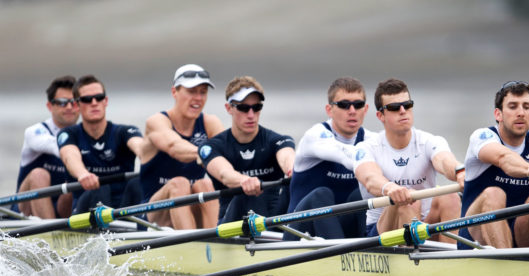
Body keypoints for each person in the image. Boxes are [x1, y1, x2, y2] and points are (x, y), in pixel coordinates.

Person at [353, 78, 463, 242]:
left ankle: (453, 259)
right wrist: (390, 188)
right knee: (408, 200)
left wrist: (460, 172)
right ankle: (414, 258)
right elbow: (370, 178)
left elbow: (444, 160)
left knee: (451, 197)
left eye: (408, 105)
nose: (403, 110)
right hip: (382, 231)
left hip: (425, 225)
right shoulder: (366, 148)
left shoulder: (429, 141)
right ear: (380, 115)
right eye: (394, 108)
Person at [460, 80, 529, 249]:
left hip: (520, 233)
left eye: (526, 107)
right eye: (513, 106)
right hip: (475, 237)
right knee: (494, 193)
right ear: (498, 114)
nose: (521, 113)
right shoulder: (483, 137)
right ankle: (506, 261)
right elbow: (504, 159)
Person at [286, 77, 377, 239]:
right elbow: (344, 155)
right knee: (321, 195)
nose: (352, 110)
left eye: (358, 104)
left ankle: (372, 249)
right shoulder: (315, 136)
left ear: (366, 108)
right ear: (329, 110)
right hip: (300, 233)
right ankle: (341, 255)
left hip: (342, 232)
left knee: (359, 196)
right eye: (343, 105)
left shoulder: (371, 139)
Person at [197, 76, 295, 223]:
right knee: (247, 193)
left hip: (272, 219)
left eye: (256, 108)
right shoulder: (211, 147)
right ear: (229, 108)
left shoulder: (277, 140)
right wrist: (245, 181)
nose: (251, 115)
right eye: (243, 108)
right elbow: (225, 174)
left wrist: (292, 169)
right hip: (233, 222)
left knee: (317, 194)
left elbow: (287, 156)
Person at [138, 64, 224, 229]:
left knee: (205, 185)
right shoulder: (156, 121)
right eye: (192, 91)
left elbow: (230, 155)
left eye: (203, 92)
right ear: (174, 92)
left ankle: (214, 243)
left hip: (189, 211)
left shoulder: (210, 123)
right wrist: (208, 153)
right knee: (180, 184)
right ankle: (193, 246)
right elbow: (174, 146)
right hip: (152, 215)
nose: (198, 98)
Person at [57, 75, 145, 213]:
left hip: (123, 208)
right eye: (86, 99)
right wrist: (83, 174)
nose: (94, 103)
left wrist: (150, 159)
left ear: (106, 101)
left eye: (99, 97)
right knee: (100, 186)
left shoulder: (125, 131)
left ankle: (141, 228)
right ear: (77, 105)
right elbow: (69, 156)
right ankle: (103, 232)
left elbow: (140, 147)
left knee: (137, 183)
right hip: (85, 209)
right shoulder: (69, 134)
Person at [15, 75, 80, 218]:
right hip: (26, 210)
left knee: (76, 182)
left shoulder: (84, 134)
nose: (69, 107)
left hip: (63, 207)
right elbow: (57, 147)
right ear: (50, 106)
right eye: (62, 102)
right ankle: (50, 231)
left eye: (74, 102)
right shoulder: (35, 132)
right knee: (39, 174)